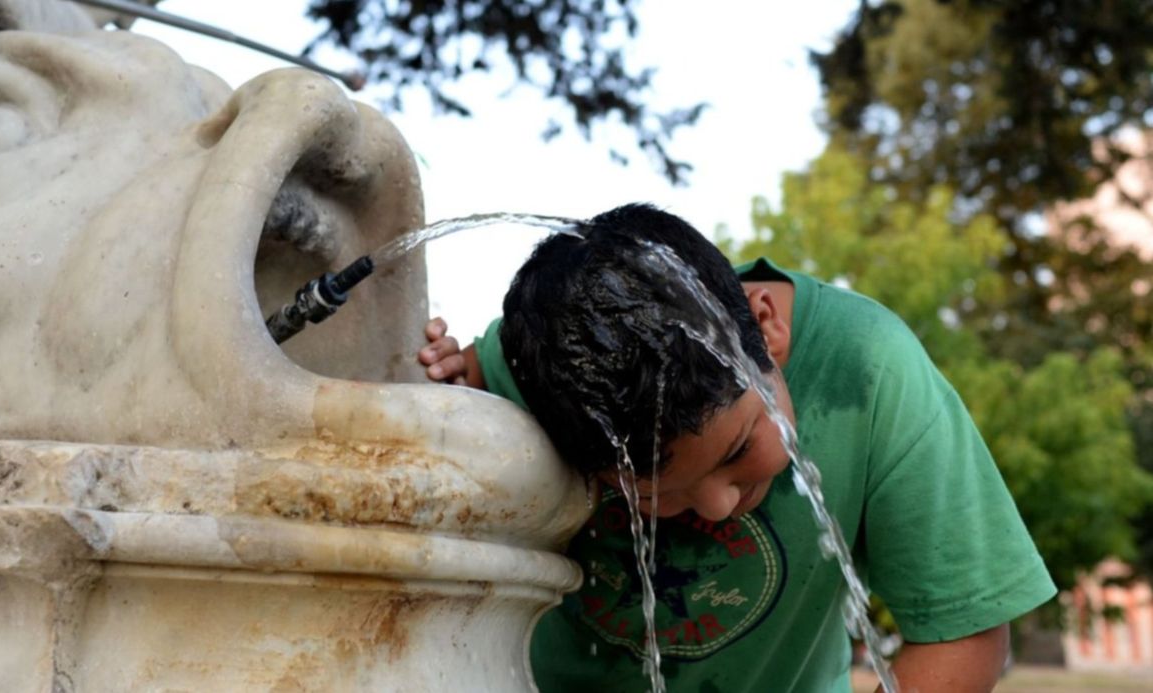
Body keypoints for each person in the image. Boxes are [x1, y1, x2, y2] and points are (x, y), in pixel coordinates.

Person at [418, 204, 1054, 692]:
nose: (719, 506)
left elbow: (964, 634)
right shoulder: (542, 368)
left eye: (737, 447)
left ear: (767, 325)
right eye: (650, 496)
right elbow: (448, 408)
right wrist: (440, 384)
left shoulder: (867, 369)